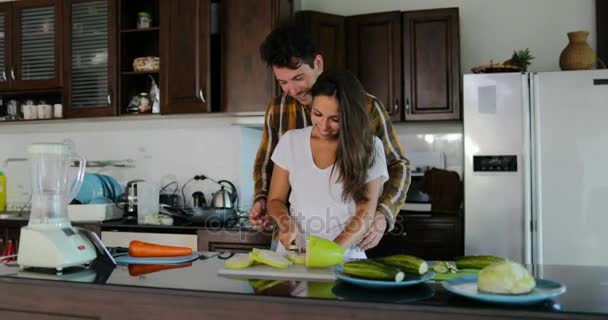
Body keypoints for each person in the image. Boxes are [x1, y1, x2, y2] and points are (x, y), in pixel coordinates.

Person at [250, 25, 411, 250]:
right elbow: (265, 164)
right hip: (293, 243)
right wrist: (262, 199)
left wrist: (383, 213)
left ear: (318, 63)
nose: (292, 90)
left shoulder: (366, 107)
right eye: (283, 82)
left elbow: (398, 165)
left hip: (348, 240)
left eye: (298, 78)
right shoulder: (278, 109)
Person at [268, 69, 388, 258]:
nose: (324, 126)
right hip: (293, 255)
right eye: (317, 114)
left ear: (351, 117)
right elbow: (275, 200)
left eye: (335, 119)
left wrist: (331, 252)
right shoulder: (291, 141)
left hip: (345, 256)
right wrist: (286, 224)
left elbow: (366, 211)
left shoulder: (371, 147)